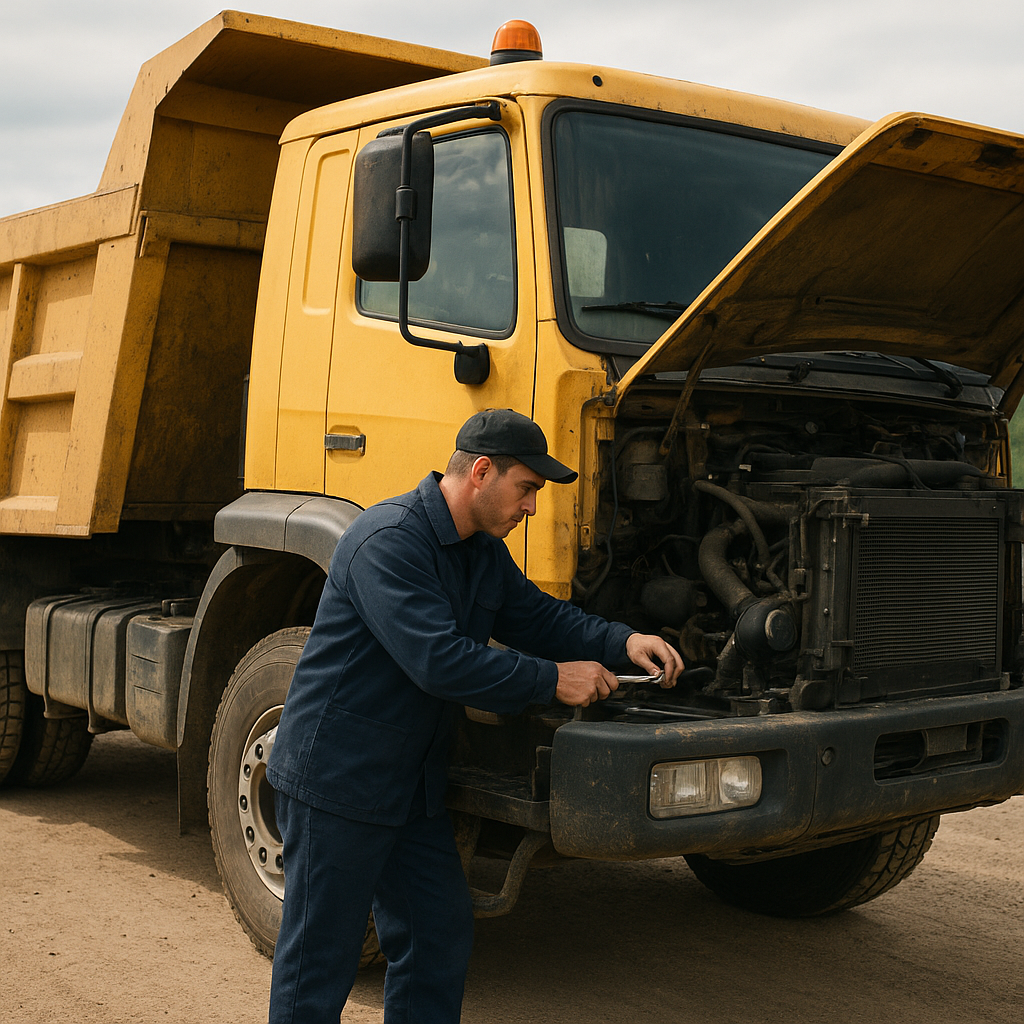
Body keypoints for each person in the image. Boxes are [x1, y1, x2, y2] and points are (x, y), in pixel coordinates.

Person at [265, 408, 683, 1024]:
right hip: (338, 784)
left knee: (437, 936)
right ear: (482, 473)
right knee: (318, 963)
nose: (533, 508)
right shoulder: (388, 541)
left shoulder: (480, 551)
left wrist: (621, 641)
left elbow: (540, 618)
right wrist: (552, 679)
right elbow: (438, 661)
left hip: (410, 787)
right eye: (528, 488)